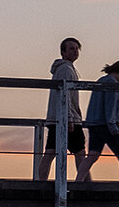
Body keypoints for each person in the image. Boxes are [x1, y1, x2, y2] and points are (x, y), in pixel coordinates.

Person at [76, 60, 119, 183]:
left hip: (94, 123)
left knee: (92, 155)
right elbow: (109, 106)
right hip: (106, 125)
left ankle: (79, 180)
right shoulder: (112, 84)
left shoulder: (101, 80)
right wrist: (113, 125)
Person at [36, 37, 85, 181]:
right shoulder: (65, 69)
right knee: (80, 153)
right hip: (67, 118)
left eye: (77, 48)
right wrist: (69, 118)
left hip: (58, 117)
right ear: (63, 52)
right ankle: (83, 183)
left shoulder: (65, 69)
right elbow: (65, 95)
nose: (75, 51)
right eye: (71, 48)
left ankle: (41, 181)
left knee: (51, 152)